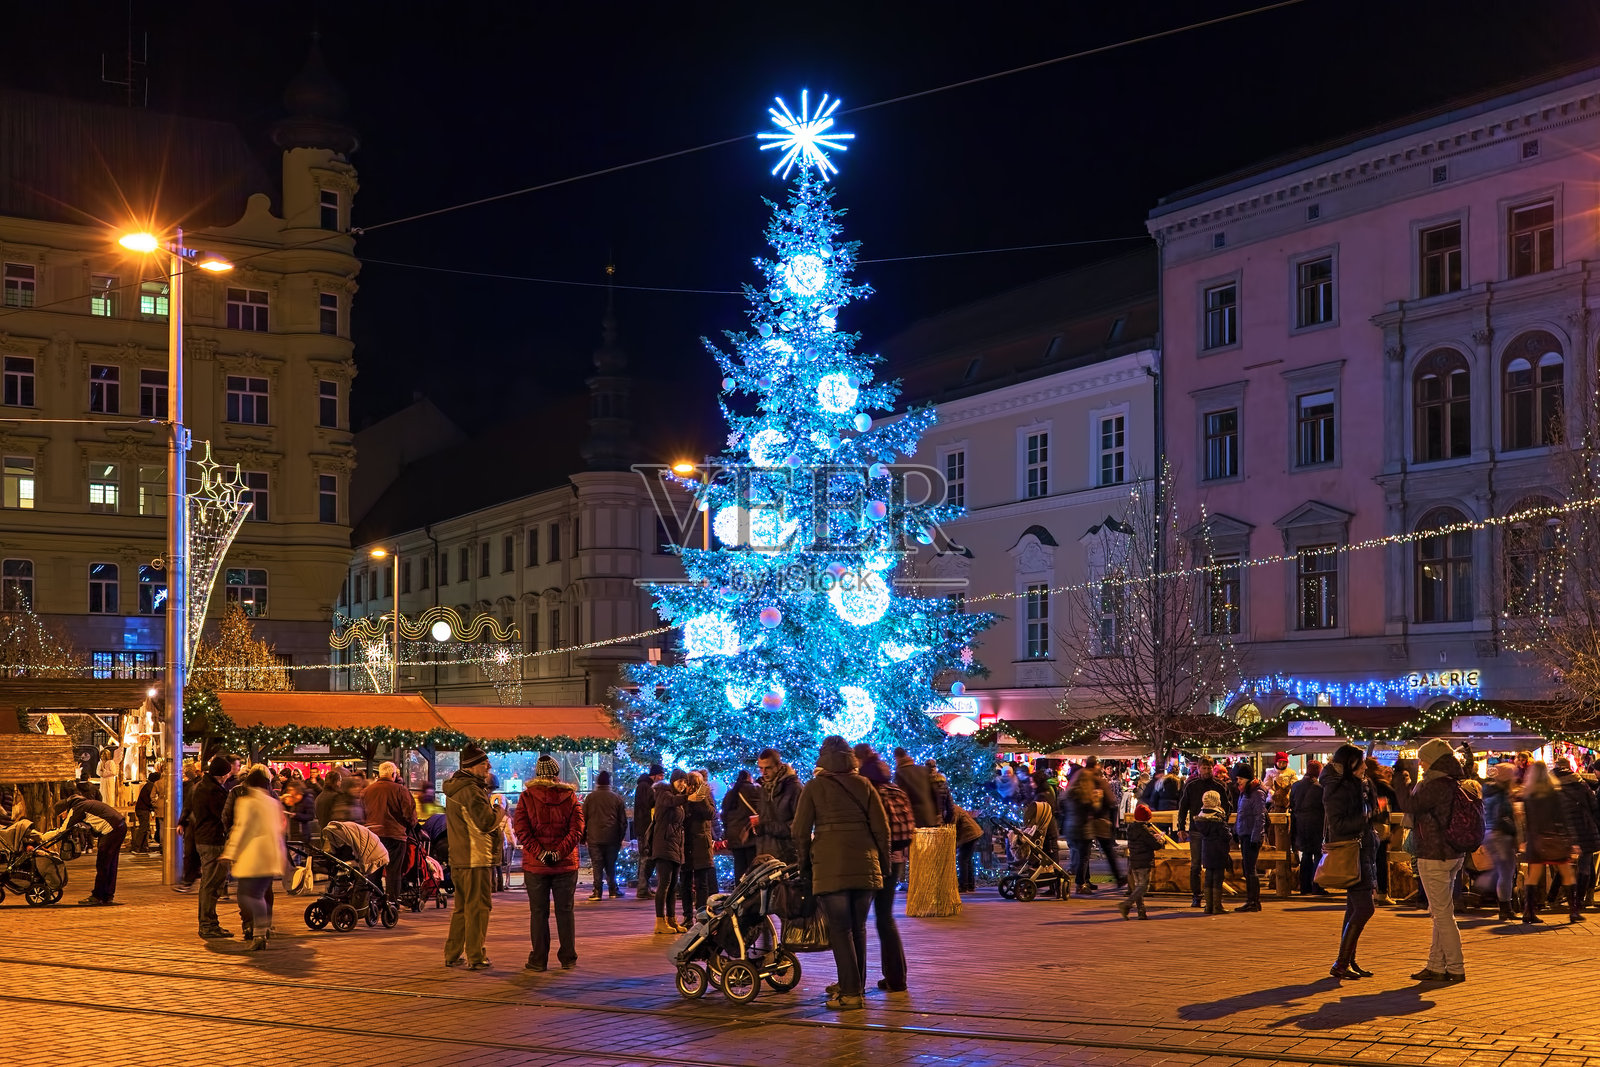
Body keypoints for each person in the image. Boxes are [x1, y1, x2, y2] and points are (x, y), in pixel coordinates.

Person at [792, 736, 891, 1012]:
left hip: (829, 865)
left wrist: (804, 865)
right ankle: (854, 986)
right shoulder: (865, 785)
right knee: (857, 929)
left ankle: (850, 993)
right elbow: (882, 829)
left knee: (840, 930)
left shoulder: (813, 787)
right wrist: (882, 864)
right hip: (865, 865)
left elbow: (799, 832)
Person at [1407, 737, 1473, 982]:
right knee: (1440, 911)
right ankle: (1436, 965)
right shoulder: (1455, 780)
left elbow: (1409, 805)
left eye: (1423, 760)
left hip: (1434, 853)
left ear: (1433, 761)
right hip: (1453, 853)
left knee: (1443, 914)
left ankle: (1455, 967)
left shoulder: (1434, 784)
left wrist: (1400, 782)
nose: (1421, 764)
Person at [511, 754, 585, 971]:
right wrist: (559, 852)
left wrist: (541, 853)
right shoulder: (570, 796)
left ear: (537, 774)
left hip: (536, 865)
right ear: (556, 774)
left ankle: (539, 959)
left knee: (538, 912)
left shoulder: (526, 797)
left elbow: (522, 830)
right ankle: (568, 957)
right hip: (565, 864)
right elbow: (577, 830)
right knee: (565, 910)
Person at [1323, 744, 1383, 979]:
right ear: (1350, 764)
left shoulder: (1363, 784)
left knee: (1353, 908)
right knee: (1365, 908)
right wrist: (1366, 816)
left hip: (1366, 850)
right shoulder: (1335, 788)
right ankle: (1340, 963)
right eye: (1361, 762)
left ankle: (1348, 961)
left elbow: (1370, 812)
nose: (1365, 766)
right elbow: (1338, 825)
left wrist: (1376, 810)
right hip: (1352, 851)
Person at [858, 753, 912, 995]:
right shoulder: (896, 789)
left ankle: (853, 981)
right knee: (885, 918)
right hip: (897, 858)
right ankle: (896, 978)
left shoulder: (868, 791)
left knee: (856, 922)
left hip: (874, 858)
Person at [444, 743, 500, 970]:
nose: (488, 766)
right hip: (476, 857)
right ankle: (476, 956)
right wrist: (499, 809)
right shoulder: (472, 791)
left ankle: (452, 952)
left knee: (461, 908)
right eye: (484, 763)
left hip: (459, 857)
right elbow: (486, 822)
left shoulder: (457, 788)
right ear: (473, 766)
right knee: (478, 908)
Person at [222, 767, 287, 950]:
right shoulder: (273, 801)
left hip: (253, 855)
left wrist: (230, 852)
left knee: (247, 896)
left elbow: (240, 829)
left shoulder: (247, 802)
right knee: (262, 894)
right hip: (271, 855)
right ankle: (261, 931)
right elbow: (280, 828)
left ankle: (259, 928)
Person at [1521, 760, 1576, 925]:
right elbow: (1563, 818)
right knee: (1567, 874)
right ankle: (1574, 911)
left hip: (1536, 840)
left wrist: (1526, 840)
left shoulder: (1528, 795)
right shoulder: (1554, 793)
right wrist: (1571, 839)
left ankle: (1528, 911)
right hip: (1555, 839)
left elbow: (1527, 821)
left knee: (1533, 877)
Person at [56, 791, 127, 906]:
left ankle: (98, 896)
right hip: (120, 826)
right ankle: (107, 895)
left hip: (111, 829)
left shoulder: (77, 808)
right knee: (111, 863)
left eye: (61, 815)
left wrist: (45, 837)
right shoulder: (85, 804)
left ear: (65, 810)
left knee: (103, 863)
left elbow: (63, 829)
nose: (63, 817)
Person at [365, 761, 418, 905]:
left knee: (374, 869)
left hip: (372, 835)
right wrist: (411, 825)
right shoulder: (400, 790)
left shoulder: (367, 791)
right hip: (395, 834)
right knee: (394, 871)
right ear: (393, 774)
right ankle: (392, 901)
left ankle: (374, 899)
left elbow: (362, 813)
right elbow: (409, 814)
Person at [192, 755, 233, 939]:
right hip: (212, 841)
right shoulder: (213, 791)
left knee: (209, 883)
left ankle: (208, 922)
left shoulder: (202, 786)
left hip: (203, 838)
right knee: (212, 883)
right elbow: (223, 816)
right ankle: (208, 924)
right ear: (222, 774)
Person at [1552, 757, 1599, 919]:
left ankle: (1555, 897)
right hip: (1585, 828)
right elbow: (1594, 806)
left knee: (1564, 866)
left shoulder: (1553, 788)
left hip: (1565, 831)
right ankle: (1578, 903)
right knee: (1585, 865)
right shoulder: (1581, 784)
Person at [1177, 757, 1225, 908]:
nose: (1206, 771)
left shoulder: (1219, 785)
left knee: (1213, 864)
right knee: (1195, 864)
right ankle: (1196, 896)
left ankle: (1212, 898)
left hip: (1215, 829)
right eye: (1203, 768)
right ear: (1198, 768)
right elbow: (1183, 807)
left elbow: (1228, 805)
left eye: (1208, 768)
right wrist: (1181, 828)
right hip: (1196, 829)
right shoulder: (1191, 785)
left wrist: (1222, 821)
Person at [1119, 803, 1176, 919]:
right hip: (1144, 861)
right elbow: (1155, 845)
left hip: (1134, 861)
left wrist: (1152, 836)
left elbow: (1143, 840)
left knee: (1138, 886)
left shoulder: (1131, 828)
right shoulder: (1144, 830)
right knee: (1144, 886)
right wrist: (1161, 840)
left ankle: (1141, 912)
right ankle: (1126, 904)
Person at [648, 769, 686, 934]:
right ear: (673, 781)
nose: (682, 784)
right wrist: (688, 797)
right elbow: (671, 801)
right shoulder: (664, 793)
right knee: (664, 884)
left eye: (685, 781)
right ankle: (659, 922)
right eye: (680, 781)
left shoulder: (677, 798)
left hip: (675, 845)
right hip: (663, 844)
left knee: (673, 886)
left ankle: (671, 919)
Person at [1482, 762, 1519, 922]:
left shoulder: (1490, 791)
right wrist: (1514, 831)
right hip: (1501, 835)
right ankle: (1505, 907)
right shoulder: (1501, 795)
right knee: (1505, 872)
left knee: (1502, 871)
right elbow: (1503, 817)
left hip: (1490, 833)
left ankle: (1504, 905)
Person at [582, 770, 627, 899]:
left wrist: (584, 837)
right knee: (610, 864)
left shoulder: (590, 798)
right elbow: (622, 821)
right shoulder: (616, 798)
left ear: (597, 782)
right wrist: (620, 837)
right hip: (612, 837)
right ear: (609, 782)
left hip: (594, 837)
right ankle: (613, 890)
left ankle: (597, 891)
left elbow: (583, 818)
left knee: (597, 864)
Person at [753, 748, 801, 863]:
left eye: (768, 768)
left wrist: (766, 827)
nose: (764, 772)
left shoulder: (794, 788)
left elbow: (798, 826)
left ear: (778, 765)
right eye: (761, 768)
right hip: (764, 856)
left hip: (787, 856)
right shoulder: (762, 788)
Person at [680, 772, 717, 918]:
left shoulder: (705, 796)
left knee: (701, 883)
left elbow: (711, 814)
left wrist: (700, 799)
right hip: (687, 843)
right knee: (686, 883)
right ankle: (688, 916)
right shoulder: (683, 797)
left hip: (701, 843)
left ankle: (701, 916)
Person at [1192, 790, 1231, 914]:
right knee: (1218, 878)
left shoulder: (1201, 817)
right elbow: (1226, 835)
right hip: (1218, 849)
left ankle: (1208, 906)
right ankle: (1217, 906)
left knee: (1209, 877)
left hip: (1207, 849)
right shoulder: (1218, 818)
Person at [1290, 761, 1326, 896]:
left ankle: (1304, 886)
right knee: (1318, 854)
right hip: (1316, 824)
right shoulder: (1320, 788)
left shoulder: (1296, 786)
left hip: (1300, 823)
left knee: (1305, 855)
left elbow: (1292, 803)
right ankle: (1317, 885)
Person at [721, 769, 762, 882]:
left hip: (735, 837)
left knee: (739, 869)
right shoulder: (754, 790)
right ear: (749, 778)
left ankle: (740, 895)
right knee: (753, 869)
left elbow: (724, 815)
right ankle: (752, 896)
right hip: (750, 835)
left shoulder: (730, 794)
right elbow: (763, 808)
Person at [1367, 759, 1398, 905]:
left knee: (1366, 860)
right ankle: (1381, 893)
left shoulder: (1362, 783)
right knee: (1380, 860)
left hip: (1364, 826)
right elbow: (1397, 801)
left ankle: (1368, 891)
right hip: (1380, 826)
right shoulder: (1381, 784)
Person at [1234, 775, 1267, 912]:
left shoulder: (1256, 793)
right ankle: (1252, 900)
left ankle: (1253, 900)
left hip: (1251, 835)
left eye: (1241, 778)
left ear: (1248, 778)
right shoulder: (1245, 792)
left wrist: (1255, 837)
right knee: (1247, 868)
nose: (1238, 781)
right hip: (1245, 833)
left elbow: (1260, 817)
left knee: (1250, 869)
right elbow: (1240, 814)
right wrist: (1236, 830)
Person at [632, 763, 664, 898]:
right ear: (655, 775)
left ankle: (644, 887)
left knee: (646, 857)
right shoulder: (646, 787)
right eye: (661, 775)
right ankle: (643, 888)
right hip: (645, 827)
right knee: (646, 857)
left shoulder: (643, 785)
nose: (662, 778)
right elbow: (649, 804)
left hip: (644, 827)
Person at [892, 748, 937, 828]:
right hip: (930, 815)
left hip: (914, 818)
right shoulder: (923, 769)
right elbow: (933, 791)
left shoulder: (900, 773)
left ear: (896, 758)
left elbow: (901, 797)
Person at [953, 805, 984, 893]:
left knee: (962, 860)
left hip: (970, 835)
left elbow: (952, 825)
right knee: (967, 860)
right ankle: (970, 885)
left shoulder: (953, 810)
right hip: (972, 834)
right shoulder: (954, 808)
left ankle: (963, 886)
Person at [131, 768, 160, 854]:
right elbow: (150, 799)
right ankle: (136, 847)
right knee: (143, 828)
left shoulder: (148, 785)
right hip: (143, 810)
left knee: (146, 828)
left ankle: (143, 847)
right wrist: (153, 807)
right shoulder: (151, 786)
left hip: (142, 809)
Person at [926, 760, 956, 824]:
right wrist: (946, 821)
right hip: (940, 821)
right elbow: (951, 807)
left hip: (926, 822)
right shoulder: (943, 783)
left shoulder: (923, 783)